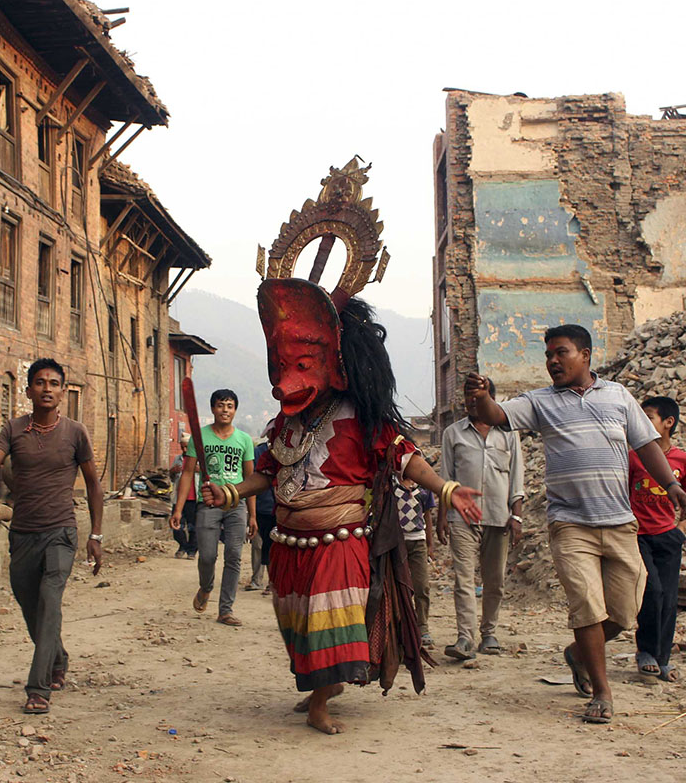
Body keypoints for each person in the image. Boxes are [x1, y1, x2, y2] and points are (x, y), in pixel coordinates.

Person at [203, 278, 481, 735]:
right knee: (297, 626)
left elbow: (405, 457)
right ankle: (320, 687)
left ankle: (320, 701)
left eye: (303, 366)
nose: (288, 381)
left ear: (334, 364)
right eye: (284, 367)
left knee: (328, 622)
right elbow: (268, 472)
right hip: (289, 544)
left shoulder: (360, 417)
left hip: (339, 541)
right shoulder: (284, 425)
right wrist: (231, 493)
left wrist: (447, 489)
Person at [464, 324, 686, 725]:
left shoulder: (618, 396)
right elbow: (497, 416)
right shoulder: (541, 402)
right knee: (587, 607)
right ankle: (602, 692)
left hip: (620, 522)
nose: (552, 361)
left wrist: (671, 485)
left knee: (622, 614)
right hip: (570, 524)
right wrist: (481, 399)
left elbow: (646, 445)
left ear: (585, 355)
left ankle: (578, 652)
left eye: (561, 353)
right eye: (548, 354)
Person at [0, 359, 104, 715]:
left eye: (54, 383)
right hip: (23, 535)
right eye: (40, 383)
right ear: (28, 390)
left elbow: (94, 484)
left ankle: (38, 687)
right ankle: (58, 657)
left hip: (61, 533)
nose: (47, 388)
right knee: (31, 608)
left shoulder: (76, 432)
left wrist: (95, 534)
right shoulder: (14, 430)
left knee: (50, 604)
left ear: (63, 392)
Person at [437, 379, 525, 660]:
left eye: (479, 397)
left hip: (499, 517)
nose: (472, 402)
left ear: (491, 400)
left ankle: (489, 633)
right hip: (462, 517)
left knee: (494, 580)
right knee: (463, 579)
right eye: (468, 397)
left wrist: (517, 517)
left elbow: (517, 477)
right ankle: (465, 638)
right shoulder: (453, 434)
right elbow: (445, 479)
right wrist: (442, 517)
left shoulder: (508, 434)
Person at [170, 389, 256, 626]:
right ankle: (206, 587)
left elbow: (250, 480)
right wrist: (178, 509)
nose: (225, 410)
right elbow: (187, 473)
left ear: (235, 410)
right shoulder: (201, 438)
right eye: (220, 405)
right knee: (207, 556)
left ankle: (225, 610)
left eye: (229, 406)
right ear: (212, 409)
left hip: (236, 506)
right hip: (207, 504)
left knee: (234, 556)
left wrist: (252, 515)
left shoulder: (244, 440)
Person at [629, 396, 686, 682]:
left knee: (669, 599)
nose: (643, 422)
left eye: (650, 417)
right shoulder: (633, 456)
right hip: (638, 535)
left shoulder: (683, 459)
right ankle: (645, 651)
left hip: (667, 536)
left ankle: (662, 658)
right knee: (652, 592)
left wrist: (679, 524)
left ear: (668, 423)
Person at [398, 477, 437, 647]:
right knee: (401, 585)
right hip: (397, 542)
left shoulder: (423, 488)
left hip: (418, 541)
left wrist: (430, 544)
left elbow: (427, 516)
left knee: (421, 585)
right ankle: (402, 625)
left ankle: (422, 625)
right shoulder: (392, 485)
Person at [247, 441, 275, 593]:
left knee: (273, 548)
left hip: (279, 510)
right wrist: (252, 514)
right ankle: (256, 579)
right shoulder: (258, 452)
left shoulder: (291, 449)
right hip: (260, 508)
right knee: (258, 545)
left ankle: (273, 582)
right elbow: (252, 479)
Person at [168, 434, 198, 559]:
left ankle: (192, 550)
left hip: (194, 499)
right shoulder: (178, 459)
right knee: (177, 526)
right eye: (183, 447)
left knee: (193, 527)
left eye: (187, 447)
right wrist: (172, 471)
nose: (185, 450)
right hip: (179, 499)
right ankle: (182, 545)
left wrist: (200, 470)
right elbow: (172, 478)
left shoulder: (199, 461)